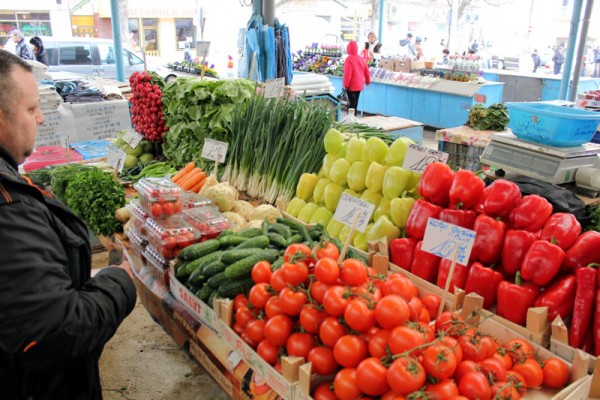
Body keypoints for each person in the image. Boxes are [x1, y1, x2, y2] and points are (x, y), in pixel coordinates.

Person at [0, 49, 137, 399]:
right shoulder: (10, 210)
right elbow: (56, 334)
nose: (41, 120)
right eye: (31, 109)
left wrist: (70, 279)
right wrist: (119, 281)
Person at [343, 40, 371, 112]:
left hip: (351, 86)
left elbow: (347, 74)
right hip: (359, 86)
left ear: (348, 49)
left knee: (351, 107)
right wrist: (367, 82)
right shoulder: (361, 59)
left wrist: (346, 85)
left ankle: (352, 121)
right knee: (355, 104)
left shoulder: (348, 59)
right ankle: (354, 120)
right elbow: (367, 71)